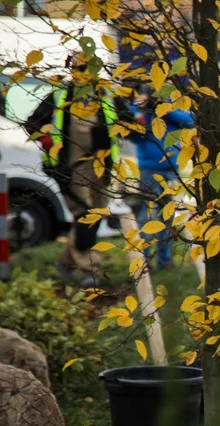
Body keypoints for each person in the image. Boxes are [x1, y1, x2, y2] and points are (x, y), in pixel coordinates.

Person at [25, 52, 135, 284]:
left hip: (102, 168)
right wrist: (47, 141)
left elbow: (128, 123)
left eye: (87, 68)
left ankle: (66, 261)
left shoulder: (106, 94)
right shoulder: (60, 95)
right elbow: (33, 123)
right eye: (79, 68)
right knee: (85, 215)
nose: (83, 73)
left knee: (96, 214)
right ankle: (90, 270)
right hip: (71, 168)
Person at [129, 84, 195, 270]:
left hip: (171, 169)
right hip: (149, 169)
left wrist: (164, 109)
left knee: (168, 216)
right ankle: (144, 261)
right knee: (148, 215)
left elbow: (190, 121)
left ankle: (165, 261)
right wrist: (143, 107)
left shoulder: (172, 108)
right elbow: (128, 129)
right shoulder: (140, 109)